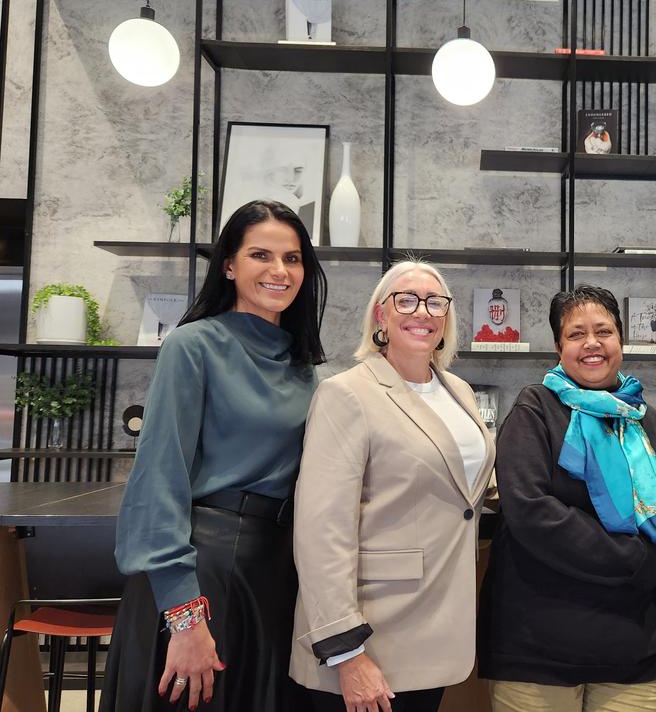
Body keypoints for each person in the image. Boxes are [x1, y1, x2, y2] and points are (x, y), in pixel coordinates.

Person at [101, 200, 327, 712]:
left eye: (292, 259)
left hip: (276, 572)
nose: (279, 271)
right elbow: (158, 481)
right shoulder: (193, 345)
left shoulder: (307, 368)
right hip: (204, 569)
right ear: (229, 264)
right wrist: (184, 615)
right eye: (261, 255)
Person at [478, 284, 656, 712]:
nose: (592, 343)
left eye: (604, 331)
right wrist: (640, 557)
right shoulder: (534, 411)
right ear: (559, 346)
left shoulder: (643, 418)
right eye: (576, 334)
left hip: (629, 645)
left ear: (620, 340)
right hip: (539, 648)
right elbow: (533, 514)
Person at [290, 260, 496, 712]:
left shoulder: (457, 390)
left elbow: (465, 483)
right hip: (373, 635)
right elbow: (321, 529)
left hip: (438, 627)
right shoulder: (347, 393)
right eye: (406, 300)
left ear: (447, 318)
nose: (422, 311)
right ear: (381, 316)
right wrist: (346, 649)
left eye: (435, 302)